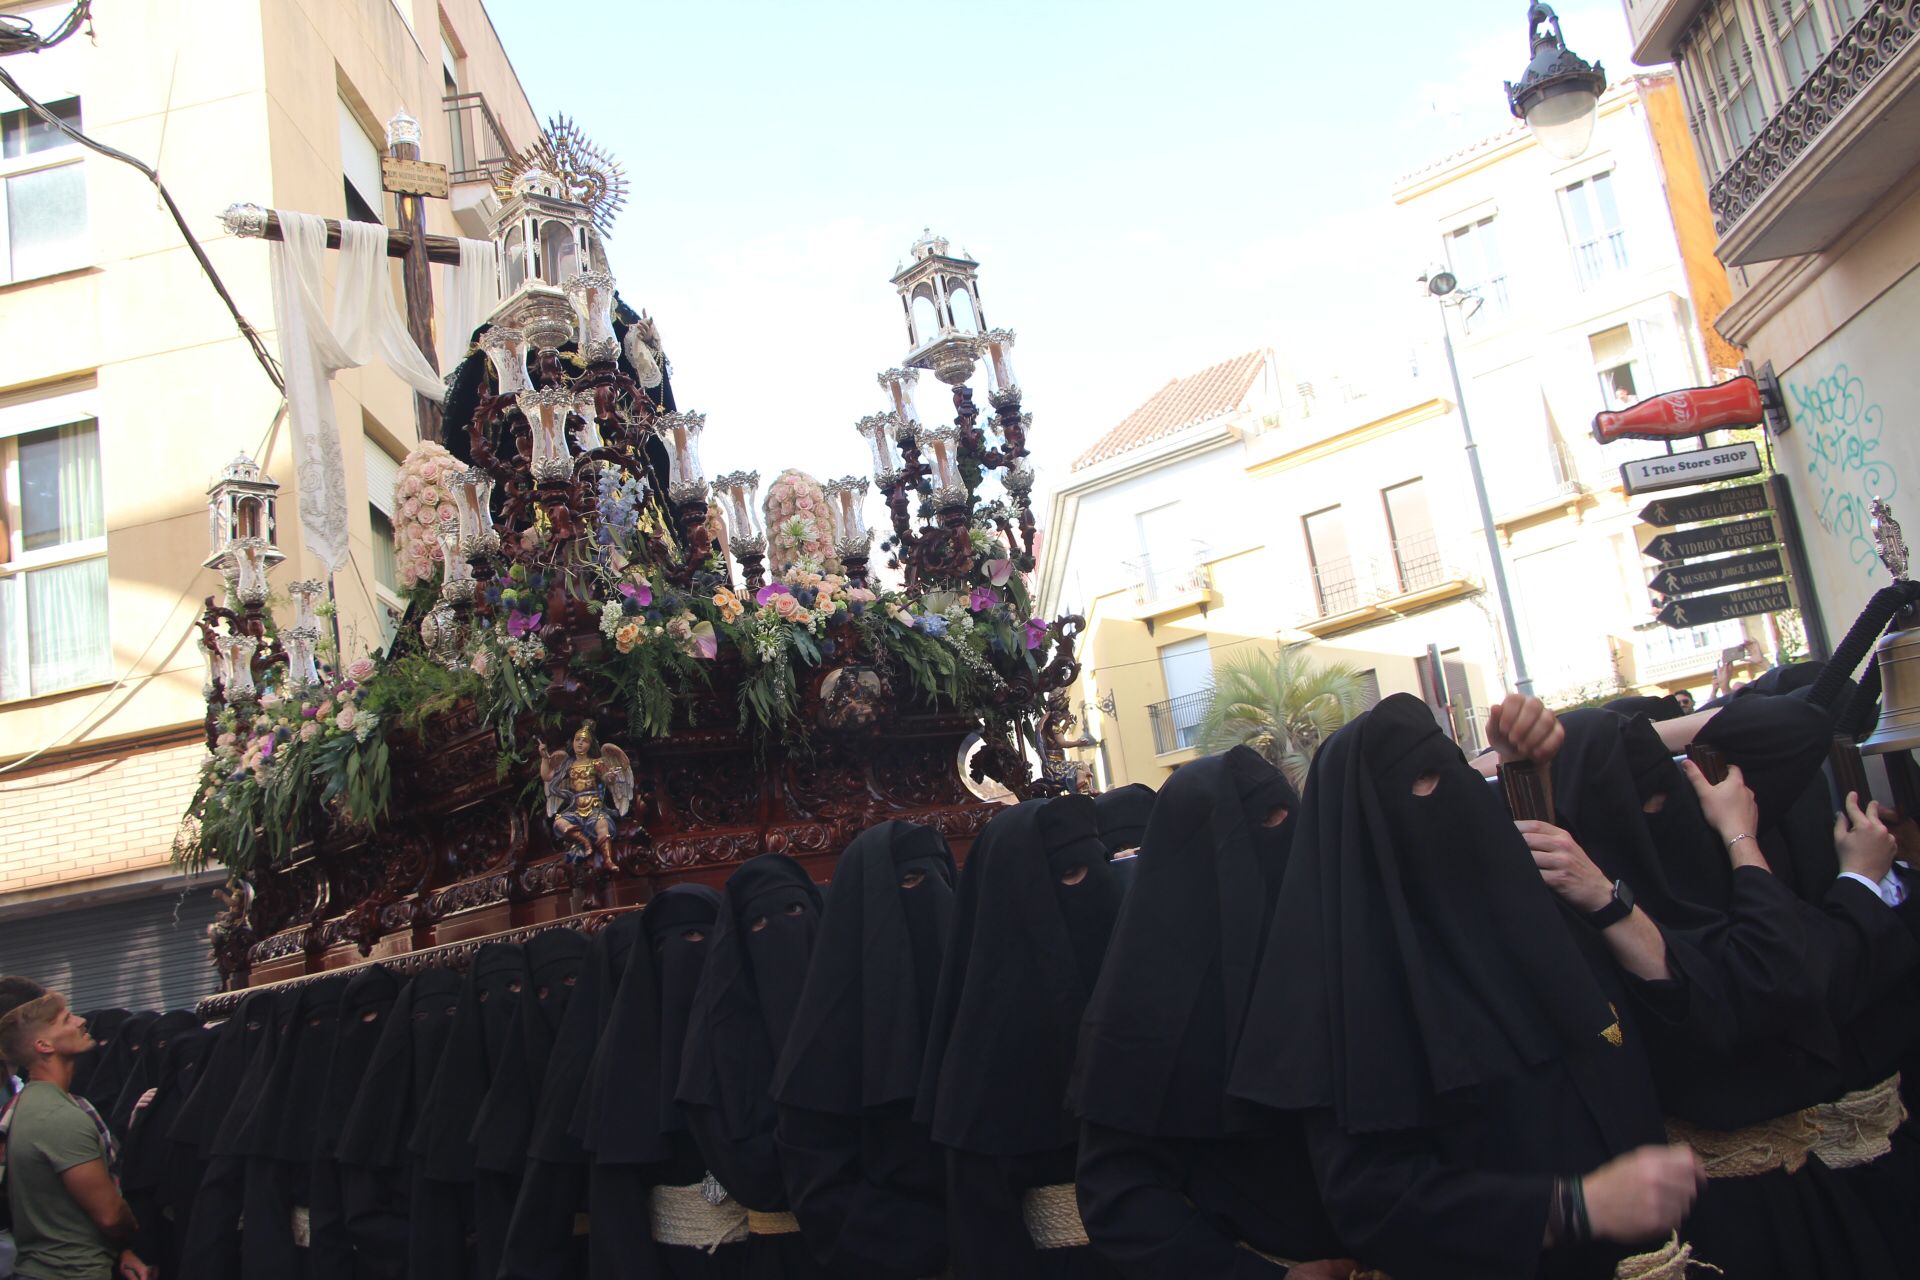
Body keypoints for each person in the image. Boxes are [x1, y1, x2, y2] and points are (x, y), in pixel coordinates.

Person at [1232, 695, 1707, 1279]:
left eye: (1448, 769)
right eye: (1419, 782)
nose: (1447, 794)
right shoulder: (1354, 1002)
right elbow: (1376, 1203)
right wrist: (1573, 1207)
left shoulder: (1541, 918)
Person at [1073, 746, 1354, 1279]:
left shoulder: (1342, 956)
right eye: (1253, 828)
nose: (1276, 840)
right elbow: (1122, 1200)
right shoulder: (1138, 1015)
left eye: (1282, 819)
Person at [916, 796, 1124, 1278]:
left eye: (1103, 865)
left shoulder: (1146, 1003)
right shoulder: (983, 1059)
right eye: (1070, 873)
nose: (1097, 886)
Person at [771, 821, 957, 1280]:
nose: (934, 898)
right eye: (911, 882)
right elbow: (824, 1195)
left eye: (943, 880)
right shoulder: (823, 1043)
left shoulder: (983, 1000)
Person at [677, 856, 828, 1277]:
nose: (779, 932)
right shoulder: (718, 1044)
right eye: (758, 925)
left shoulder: (858, 1015)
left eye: (794, 912)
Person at [0, 990, 153, 1280]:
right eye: (66, 1019)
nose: (81, 1021)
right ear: (44, 1045)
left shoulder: (34, 1105)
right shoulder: (58, 1116)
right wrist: (133, 1232)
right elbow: (109, 1215)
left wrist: (121, 1252)